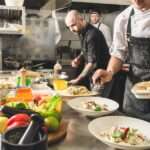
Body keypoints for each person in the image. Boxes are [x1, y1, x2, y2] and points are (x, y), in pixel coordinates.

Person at [92, 0, 150, 121]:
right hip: (135, 92)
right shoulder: (124, 18)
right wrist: (110, 72)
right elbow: (119, 53)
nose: (137, 0)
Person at [65, 10, 109, 89]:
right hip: (92, 74)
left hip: (101, 76)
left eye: (73, 25)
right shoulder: (81, 31)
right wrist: (79, 58)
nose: (71, 29)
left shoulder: (92, 34)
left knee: (97, 100)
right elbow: (85, 49)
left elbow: (92, 63)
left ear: (81, 19)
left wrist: (77, 79)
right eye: (69, 27)